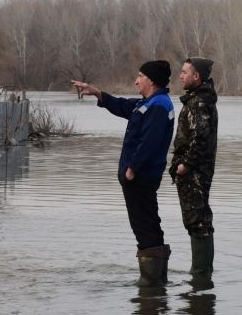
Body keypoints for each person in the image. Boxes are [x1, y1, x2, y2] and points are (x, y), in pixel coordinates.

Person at [71, 60, 175, 286]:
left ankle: (152, 280)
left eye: (140, 76)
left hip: (140, 177)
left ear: (152, 80)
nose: (136, 81)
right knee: (146, 224)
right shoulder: (149, 103)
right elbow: (124, 106)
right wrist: (98, 94)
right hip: (138, 177)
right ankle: (154, 282)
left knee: (145, 226)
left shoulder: (158, 106)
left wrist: (132, 169)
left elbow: (149, 142)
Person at [169, 57, 218, 283]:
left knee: (199, 222)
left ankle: (201, 276)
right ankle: (200, 276)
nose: (180, 76)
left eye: (185, 72)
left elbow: (200, 140)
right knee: (195, 221)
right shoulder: (197, 100)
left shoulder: (199, 103)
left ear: (196, 76)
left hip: (195, 173)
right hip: (192, 172)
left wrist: (183, 166)